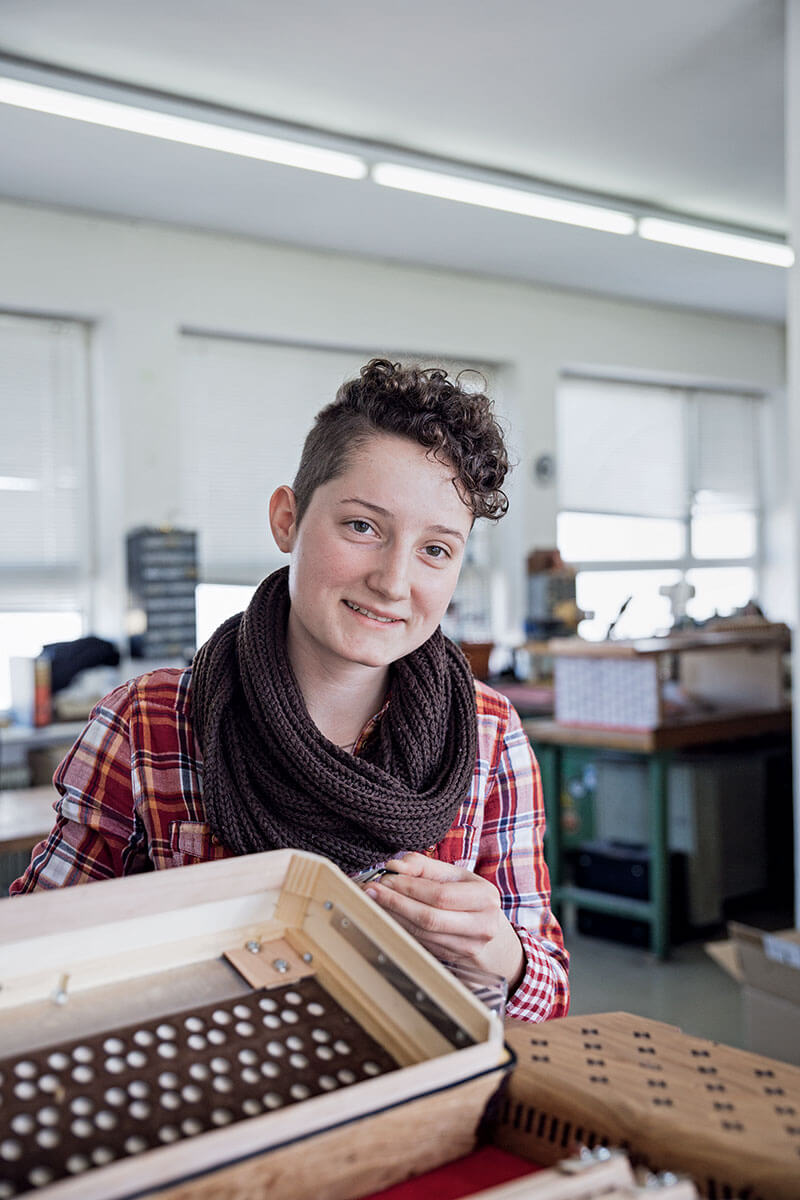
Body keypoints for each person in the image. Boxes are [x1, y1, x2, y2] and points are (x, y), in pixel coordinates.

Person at [11, 358, 569, 1023]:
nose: (394, 581)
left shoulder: (489, 732)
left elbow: (547, 1000)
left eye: (436, 550)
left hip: (419, 1102)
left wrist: (500, 954)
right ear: (287, 519)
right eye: (363, 527)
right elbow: (28, 970)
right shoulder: (145, 723)